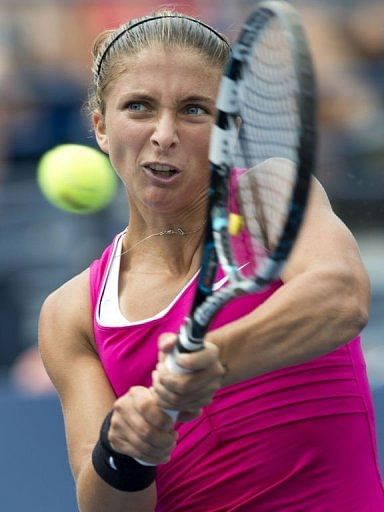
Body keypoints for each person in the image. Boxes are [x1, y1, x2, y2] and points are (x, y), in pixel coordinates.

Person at [38, 9, 384, 512]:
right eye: (138, 107)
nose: (164, 133)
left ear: (230, 126)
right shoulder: (70, 313)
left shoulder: (270, 193)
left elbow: (341, 297)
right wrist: (126, 451)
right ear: (100, 127)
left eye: (195, 110)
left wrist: (214, 361)